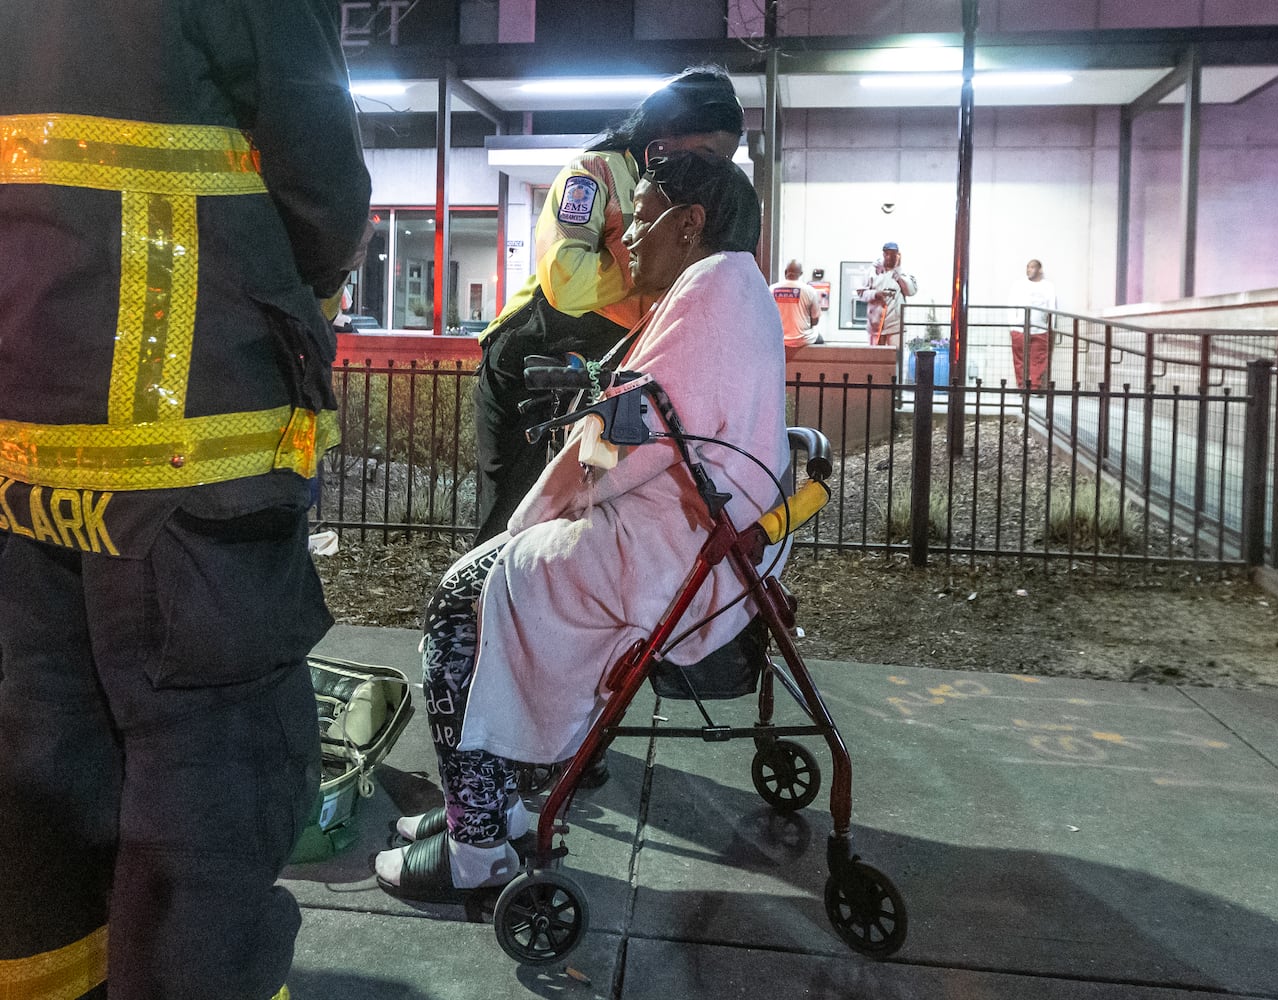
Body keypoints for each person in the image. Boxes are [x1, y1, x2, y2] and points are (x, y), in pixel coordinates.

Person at [0, 1, 370, 996]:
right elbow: (321, 184)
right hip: (192, 462)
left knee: (38, 782)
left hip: (21, 451)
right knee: (212, 788)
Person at [375, 152, 789, 900]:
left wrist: (531, 519)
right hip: (697, 546)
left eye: (641, 219)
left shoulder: (707, 293)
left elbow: (621, 439)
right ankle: (494, 809)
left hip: (662, 558)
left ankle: (475, 846)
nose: (623, 238)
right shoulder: (737, 287)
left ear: (689, 225)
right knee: (486, 592)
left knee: (459, 596)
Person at [472, 68, 744, 544]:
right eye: (705, 154)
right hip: (533, 360)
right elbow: (565, 282)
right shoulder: (594, 175)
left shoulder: (696, 199)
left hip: (612, 368)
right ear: (662, 141)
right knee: (517, 515)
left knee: (589, 516)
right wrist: (652, 256)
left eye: (724, 160)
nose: (714, 171)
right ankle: (479, 611)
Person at [859, 242, 918, 347]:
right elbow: (861, 293)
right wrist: (876, 294)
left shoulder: (903, 272)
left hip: (895, 324)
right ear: (883, 254)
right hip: (875, 324)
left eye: (893, 254)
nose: (890, 257)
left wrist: (898, 274)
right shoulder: (872, 271)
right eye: (887, 254)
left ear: (898, 255)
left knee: (895, 356)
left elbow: (911, 291)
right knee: (876, 358)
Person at [1013, 258, 1057, 388]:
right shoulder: (1019, 285)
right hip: (1020, 329)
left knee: (1038, 360)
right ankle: (1021, 387)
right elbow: (1012, 304)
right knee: (1019, 360)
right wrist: (1012, 326)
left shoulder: (1048, 286)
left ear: (1040, 269)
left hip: (1041, 329)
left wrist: (1051, 327)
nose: (1028, 270)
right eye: (1027, 267)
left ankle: (1035, 387)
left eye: (1032, 267)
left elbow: (1052, 307)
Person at [772, 258, 826, 349]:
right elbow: (815, 321)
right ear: (801, 274)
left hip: (779, 339)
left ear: (785, 272)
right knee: (820, 339)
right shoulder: (810, 291)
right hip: (803, 339)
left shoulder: (772, 289)